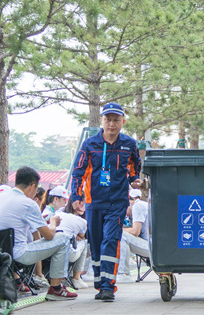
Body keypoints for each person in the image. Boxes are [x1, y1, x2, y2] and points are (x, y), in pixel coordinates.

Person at [71, 103, 141, 302]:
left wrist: (134, 177)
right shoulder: (90, 144)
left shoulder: (129, 144)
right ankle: (101, 282)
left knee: (111, 240)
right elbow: (78, 172)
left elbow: (135, 163)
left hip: (118, 202)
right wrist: (76, 198)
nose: (112, 124)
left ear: (122, 122)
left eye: (116, 120)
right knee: (96, 242)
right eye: (108, 119)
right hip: (94, 202)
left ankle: (108, 286)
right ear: (102, 121)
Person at [0, 166, 77, 300]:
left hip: (2, 253)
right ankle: (56, 288)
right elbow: (49, 235)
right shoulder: (28, 203)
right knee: (63, 238)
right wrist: (53, 222)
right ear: (32, 186)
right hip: (18, 255)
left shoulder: (2, 197)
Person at [55, 196, 89, 289]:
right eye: (81, 203)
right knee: (84, 243)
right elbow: (83, 236)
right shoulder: (82, 221)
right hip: (66, 251)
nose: (82, 205)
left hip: (51, 248)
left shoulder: (58, 213)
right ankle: (76, 278)